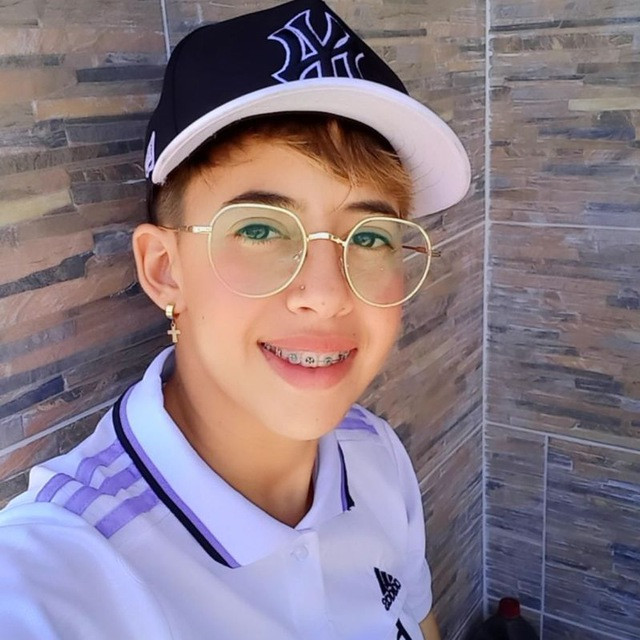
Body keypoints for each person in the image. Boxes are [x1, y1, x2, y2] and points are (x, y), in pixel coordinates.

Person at [0, 1, 470, 638]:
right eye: (260, 229)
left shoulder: (375, 454)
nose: (326, 295)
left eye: (368, 237)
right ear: (165, 269)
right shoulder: (63, 576)